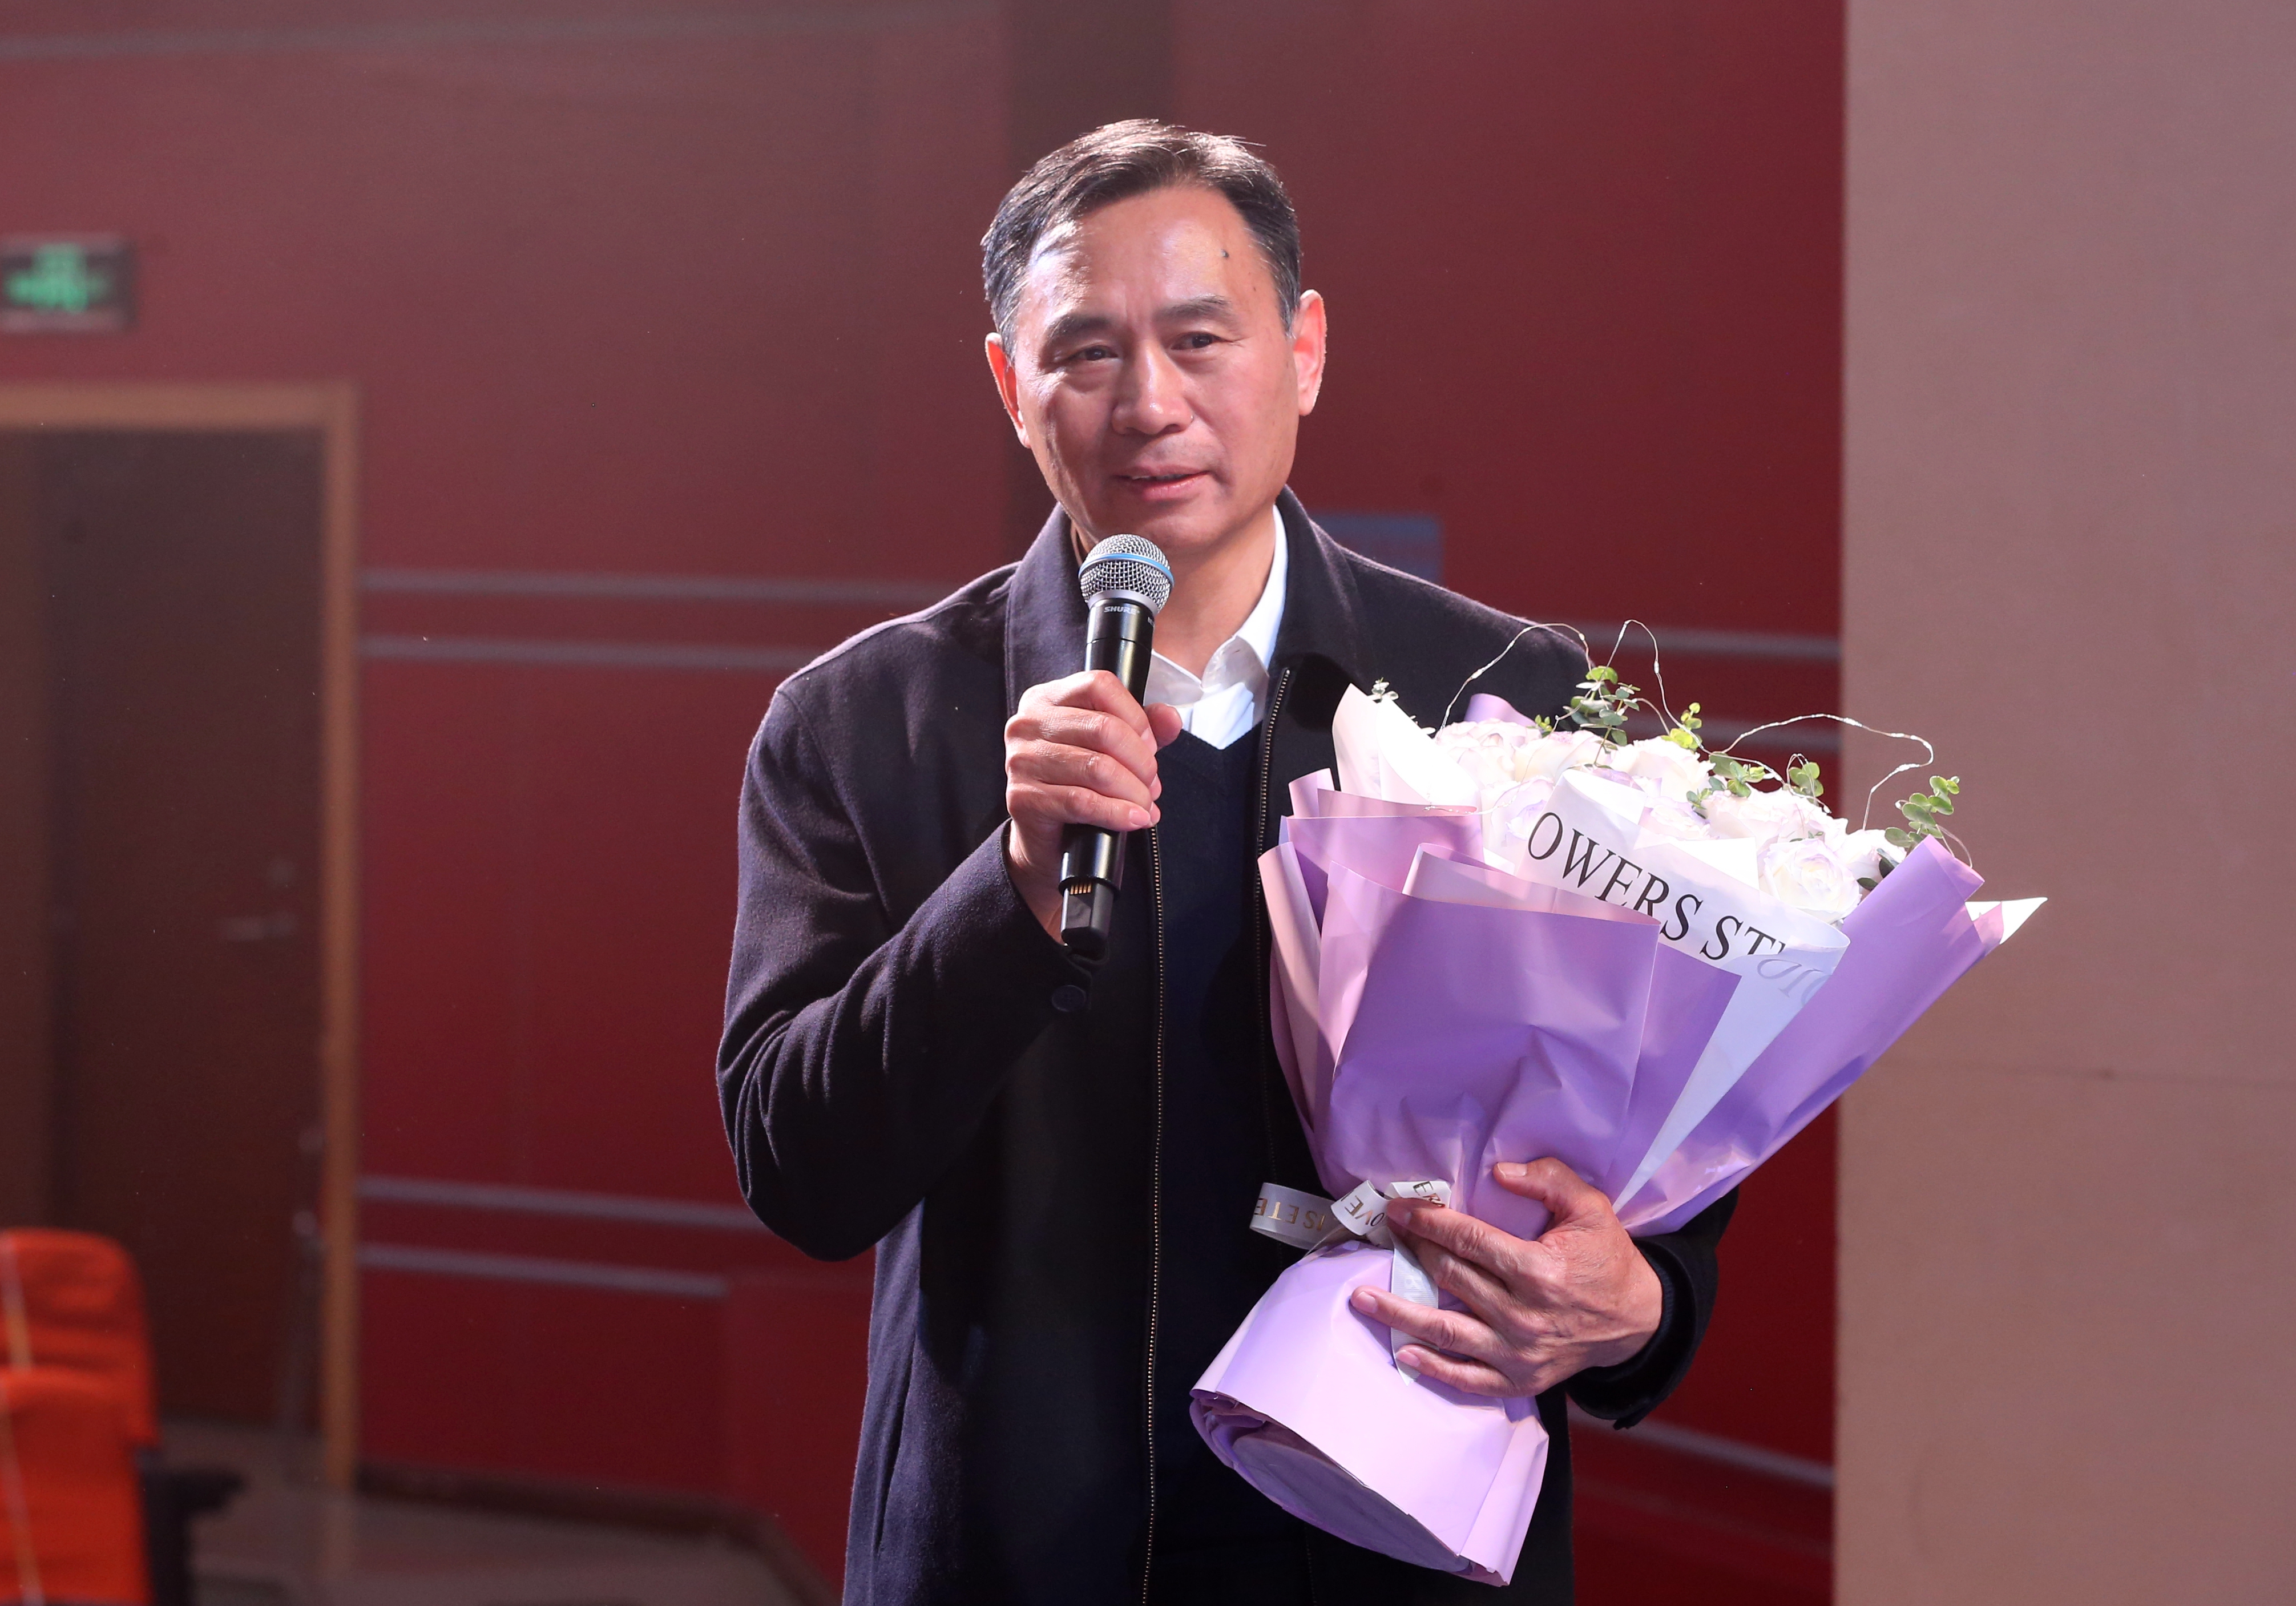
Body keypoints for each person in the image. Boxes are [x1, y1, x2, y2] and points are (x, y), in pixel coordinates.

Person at [719, 120, 1734, 1606]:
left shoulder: (1502, 696)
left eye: (1202, 339)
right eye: (1087, 353)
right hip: (1014, 1554)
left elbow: (1662, 1124)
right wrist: (1008, 887)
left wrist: (1642, 1304)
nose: (1152, 404)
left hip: (1393, 1536)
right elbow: (799, 1170)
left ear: (1304, 351)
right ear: (1009, 386)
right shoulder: (866, 722)